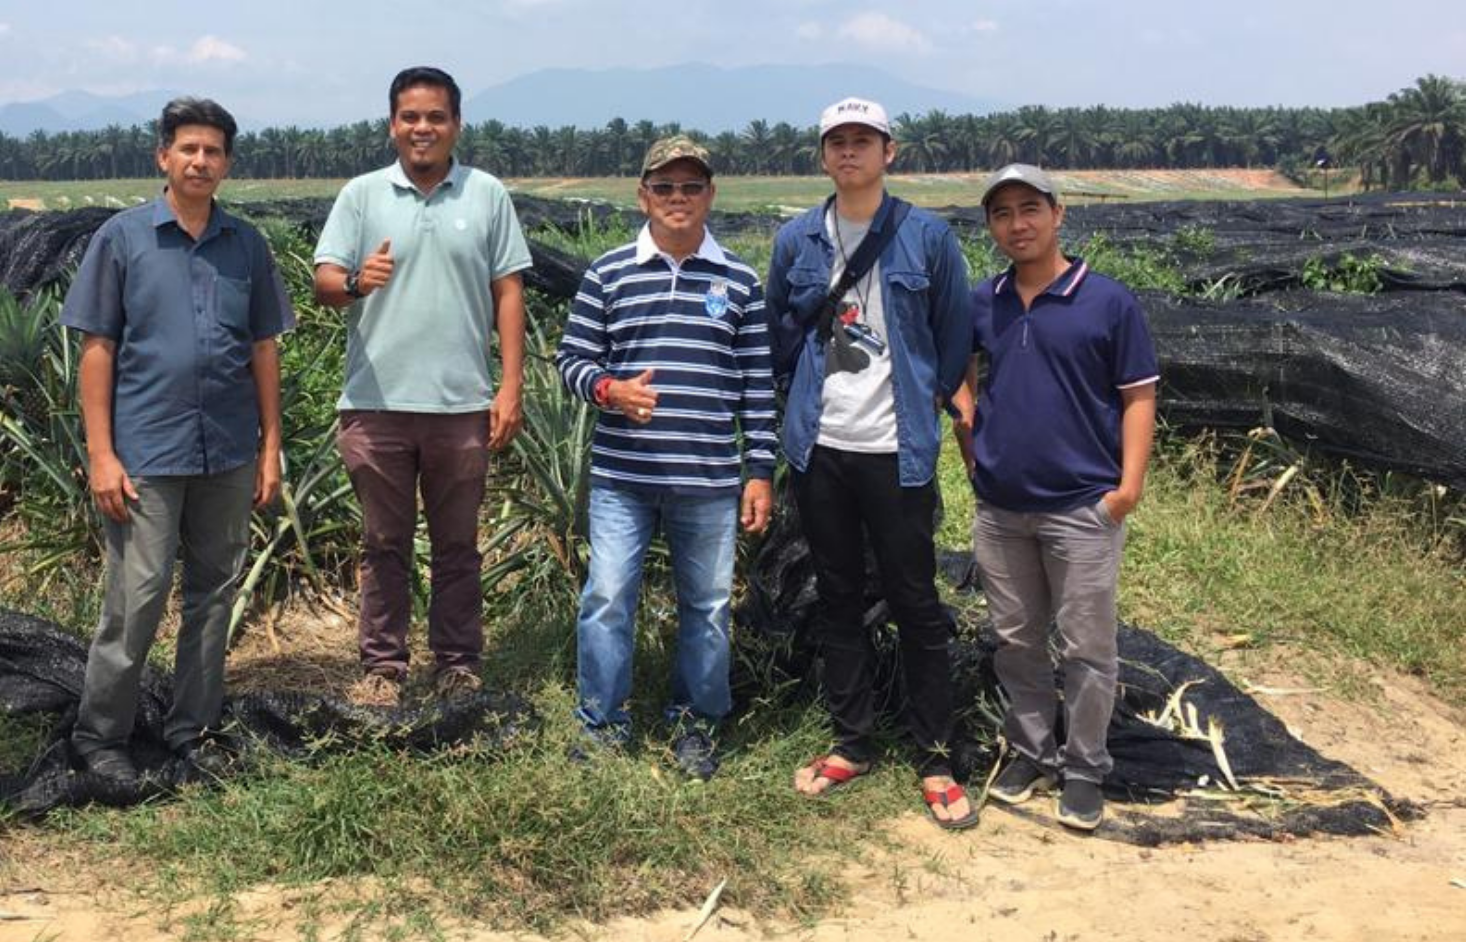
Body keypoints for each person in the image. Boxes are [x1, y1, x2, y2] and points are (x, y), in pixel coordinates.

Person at [60, 97, 293, 779]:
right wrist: (101, 453)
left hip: (227, 448)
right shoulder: (124, 238)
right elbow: (98, 349)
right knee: (137, 596)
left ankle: (193, 727)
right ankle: (101, 737)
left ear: (227, 164)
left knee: (214, 593)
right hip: (146, 451)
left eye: (213, 151)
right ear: (163, 156)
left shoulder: (245, 244)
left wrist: (269, 446)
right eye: (188, 148)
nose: (200, 161)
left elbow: (263, 348)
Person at [767, 96, 978, 829]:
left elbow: (954, 336)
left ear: (890, 152)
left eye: (864, 140)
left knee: (915, 599)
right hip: (820, 448)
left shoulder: (928, 238)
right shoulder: (797, 239)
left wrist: (926, 398)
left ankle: (935, 756)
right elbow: (780, 333)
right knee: (837, 595)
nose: (850, 151)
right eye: (838, 141)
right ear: (823, 155)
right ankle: (852, 741)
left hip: (897, 450)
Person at [555, 135, 776, 779]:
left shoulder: (739, 280)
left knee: (707, 607)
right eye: (664, 187)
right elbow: (572, 360)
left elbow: (757, 384)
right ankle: (601, 723)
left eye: (691, 186)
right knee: (607, 597)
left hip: (708, 479)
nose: (678, 198)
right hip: (622, 478)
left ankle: (695, 724)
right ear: (642, 195)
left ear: (710, 194)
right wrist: (610, 390)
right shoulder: (609, 273)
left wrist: (760, 470)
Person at [312, 66, 532, 705]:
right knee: (384, 543)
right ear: (392, 126)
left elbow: (508, 290)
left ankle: (458, 662)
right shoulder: (361, 195)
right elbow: (324, 282)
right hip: (375, 404)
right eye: (410, 117)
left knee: (457, 544)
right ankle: (383, 667)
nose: (423, 128)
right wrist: (359, 280)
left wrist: (510, 385)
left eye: (436, 116)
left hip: (460, 405)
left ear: (456, 125)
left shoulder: (486, 195)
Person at [952, 163, 1158, 832]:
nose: (1018, 224)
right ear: (991, 226)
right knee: (1015, 639)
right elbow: (959, 375)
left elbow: (1138, 396)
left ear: (1058, 214)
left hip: (1082, 506)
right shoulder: (984, 301)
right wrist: (970, 441)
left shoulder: (1107, 301)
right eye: (1002, 213)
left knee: (1086, 645)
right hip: (1001, 507)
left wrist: (1126, 490)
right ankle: (1031, 752)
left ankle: (1085, 768)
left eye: (1030, 209)